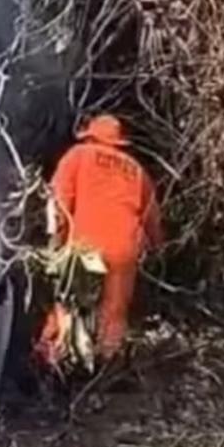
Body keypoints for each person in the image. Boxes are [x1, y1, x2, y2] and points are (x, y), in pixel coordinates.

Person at [47, 113, 164, 363]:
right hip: (124, 248)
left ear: (90, 136)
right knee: (113, 315)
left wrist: (56, 245)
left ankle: (55, 364)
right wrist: (156, 248)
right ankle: (105, 368)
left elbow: (59, 205)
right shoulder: (138, 171)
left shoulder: (78, 156)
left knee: (69, 307)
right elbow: (153, 221)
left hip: (85, 245)